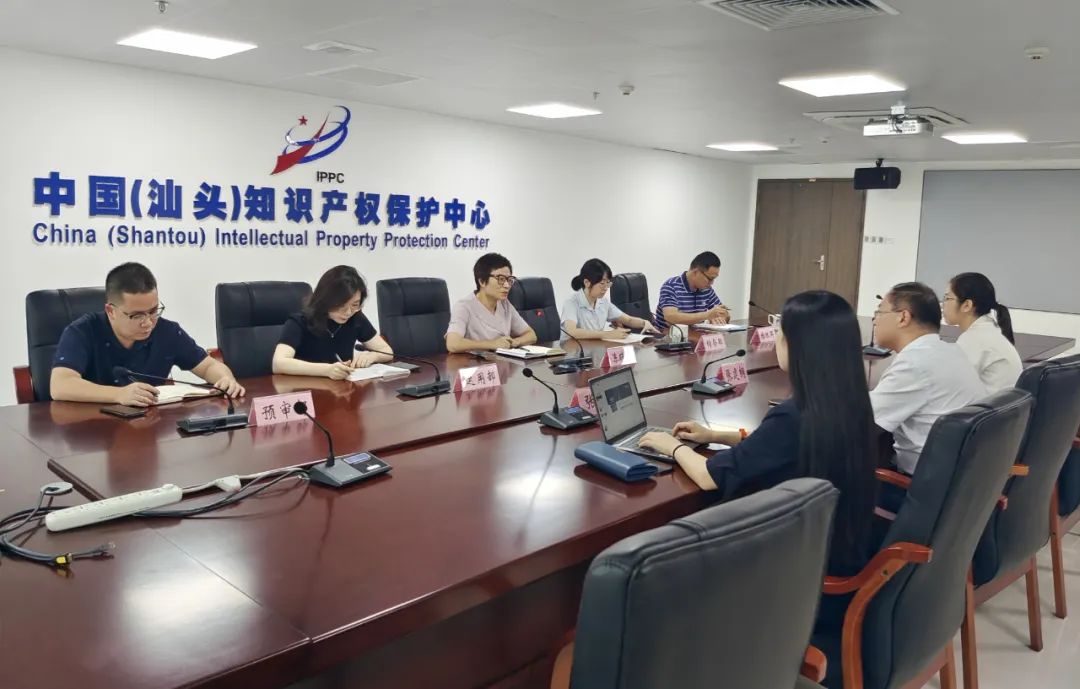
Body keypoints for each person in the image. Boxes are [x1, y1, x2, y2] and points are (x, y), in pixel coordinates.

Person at [638, 290, 877, 575]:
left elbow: (708, 477)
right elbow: (785, 445)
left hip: (790, 569)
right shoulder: (849, 400)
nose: (775, 339)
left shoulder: (792, 416)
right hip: (836, 546)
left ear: (799, 346)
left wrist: (672, 446)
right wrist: (715, 436)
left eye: (779, 333)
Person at [50, 262, 244, 406]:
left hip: (149, 428)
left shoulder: (167, 332)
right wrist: (118, 395)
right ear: (111, 311)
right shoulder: (82, 331)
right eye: (136, 315)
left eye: (153, 311)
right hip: (93, 431)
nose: (148, 323)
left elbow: (208, 366)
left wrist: (225, 379)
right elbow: (60, 385)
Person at [869, 283, 986, 475]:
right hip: (961, 477)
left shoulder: (915, 364)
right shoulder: (949, 350)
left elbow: (862, 421)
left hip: (920, 483)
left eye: (879, 312)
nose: (875, 320)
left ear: (903, 317)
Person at [272, 266, 394, 380]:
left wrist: (373, 356)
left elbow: (387, 351)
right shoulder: (300, 321)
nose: (348, 312)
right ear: (326, 299)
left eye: (355, 305)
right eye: (341, 305)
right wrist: (327, 370)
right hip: (306, 389)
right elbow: (278, 363)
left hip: (343, 389)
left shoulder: (356, 318)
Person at [942, 272, 1022, 393]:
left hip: (990, 404)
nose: (943, 304)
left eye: (947, 298)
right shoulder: (987, 330)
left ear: (967, 305)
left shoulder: (974, 339)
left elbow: (949, 385)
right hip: (1002, 404)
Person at [445, 253, 538, 353]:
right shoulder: (464, 306)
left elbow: (531, 335)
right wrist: (492, 344)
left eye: (509, 280)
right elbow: (452, 344)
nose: (507, 285)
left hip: (502, 360)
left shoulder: (505, 304)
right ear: (482, 281)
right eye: (501, 279)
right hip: (473, 361)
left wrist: (515, 342)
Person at [561, 259, 660, 341]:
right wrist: (607, 334)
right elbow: (572, 332)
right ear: (587, 282)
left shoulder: (603, 302)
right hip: (574, 351)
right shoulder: (571, 303)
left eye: (608, 283)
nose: (605, 288)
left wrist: (644, 323)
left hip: (595, 348)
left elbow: (628, 320)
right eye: (602, 283)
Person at [654, 251, 730, 331]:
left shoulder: (707, 289)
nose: (712, 283)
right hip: (668, 335)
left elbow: (724, 313)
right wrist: (707, 315)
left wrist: (720, 317)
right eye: (709, 279)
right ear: (696, 272)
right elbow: (671, 317)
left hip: (696, 335)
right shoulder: (671, 286)